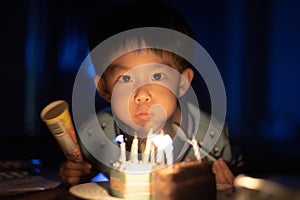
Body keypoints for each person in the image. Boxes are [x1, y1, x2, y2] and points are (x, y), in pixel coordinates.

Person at [59, 0, 242, 186]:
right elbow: (84, 176)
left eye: (157, 75)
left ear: (182, 82)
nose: (142, 94)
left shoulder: (211, 140)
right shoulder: (96, 135)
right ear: (105, 89)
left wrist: (227, 186)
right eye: (125, 79)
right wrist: (77, 175)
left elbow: (234, 183)